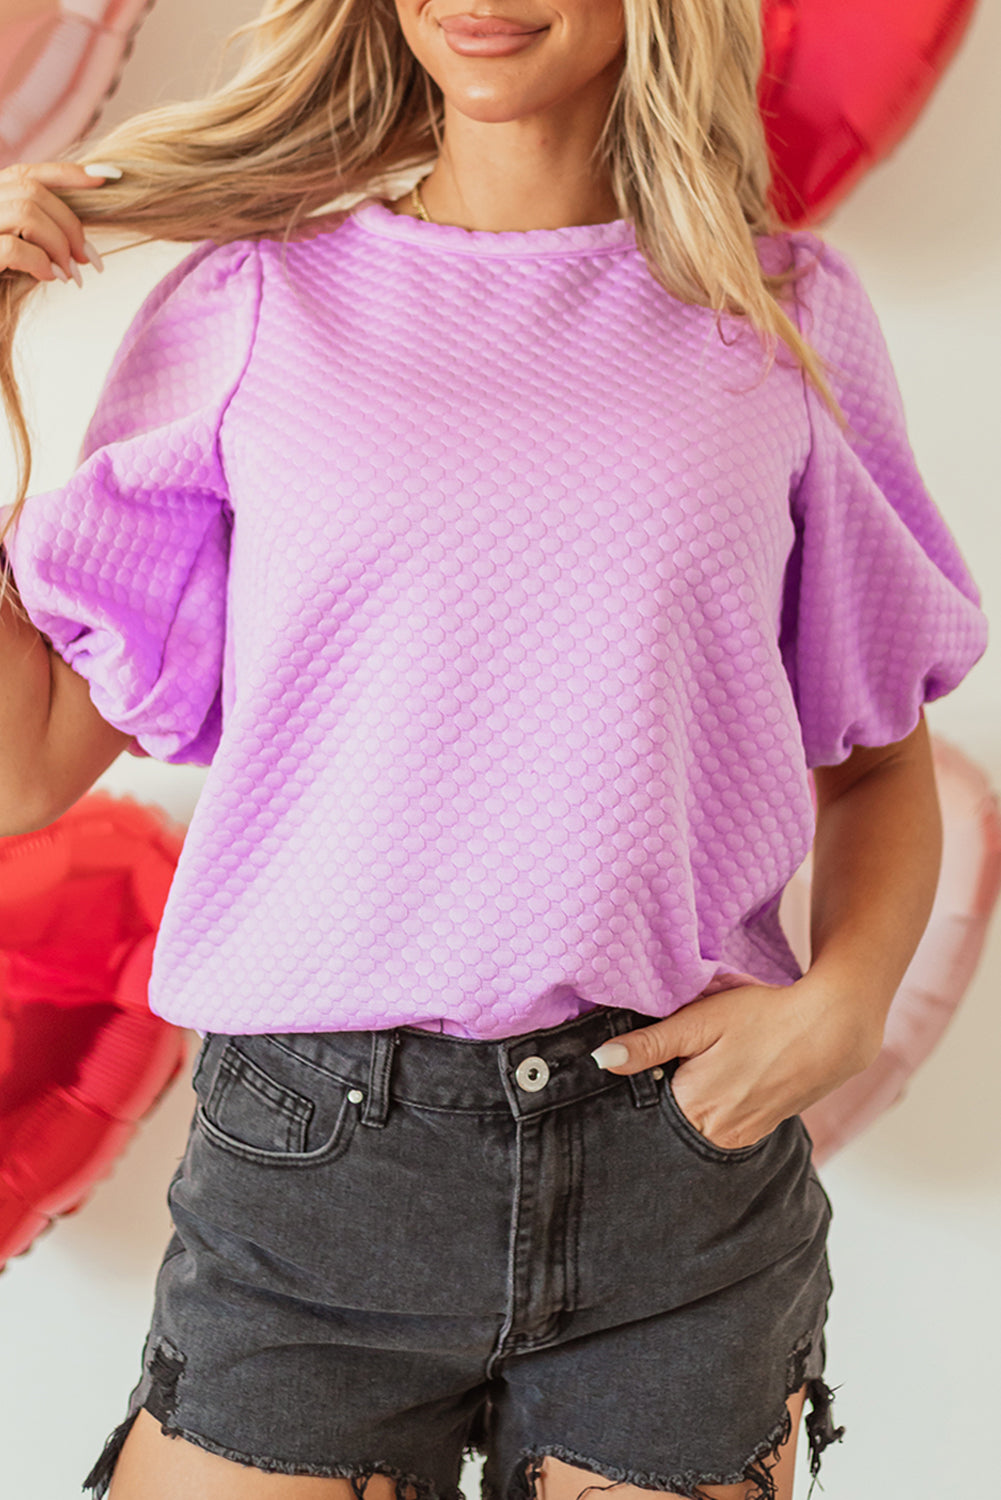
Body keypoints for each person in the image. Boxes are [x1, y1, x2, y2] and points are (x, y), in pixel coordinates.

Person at [0, 2, 988, 1498]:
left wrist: (846, 1006)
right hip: (314, 1180)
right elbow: (23, 769)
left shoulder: (781, 314)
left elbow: (876, 763)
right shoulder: (252, 300)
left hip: (677, 1181)